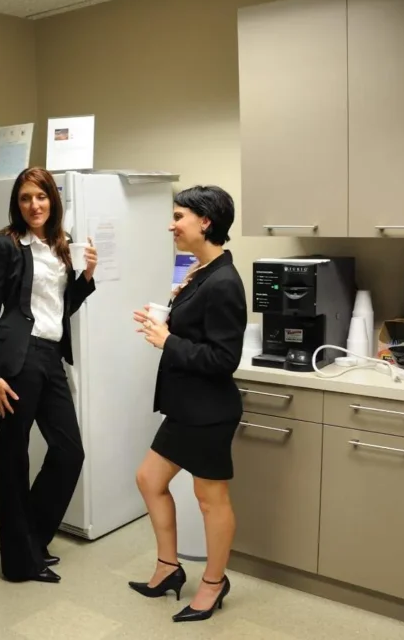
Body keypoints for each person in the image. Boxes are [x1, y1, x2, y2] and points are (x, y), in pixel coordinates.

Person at [129, 184, 247, 623]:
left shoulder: (225, 283)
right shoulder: (203, 272)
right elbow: (198, 333)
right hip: (186, 407)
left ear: (206, 222)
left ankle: (214, 583)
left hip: (210, 410)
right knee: (148, 479)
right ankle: (168, 567)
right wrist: (166, 317)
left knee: (210, 498)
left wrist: (167, 340)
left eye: (179, 216)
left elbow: (223, 359)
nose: (171, 224)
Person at [0, 167, 97, 584]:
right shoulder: (5, 245)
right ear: (18, 202)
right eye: (26, 198)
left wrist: (85, 279)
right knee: (13, 458)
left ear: (52, 200)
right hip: (18, 360)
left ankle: (31, 539)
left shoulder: (58, 245)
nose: (34, 205)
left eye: (41, 197)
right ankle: (18, 561)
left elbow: (59, 308)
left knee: (69, 452)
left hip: (50, 358)